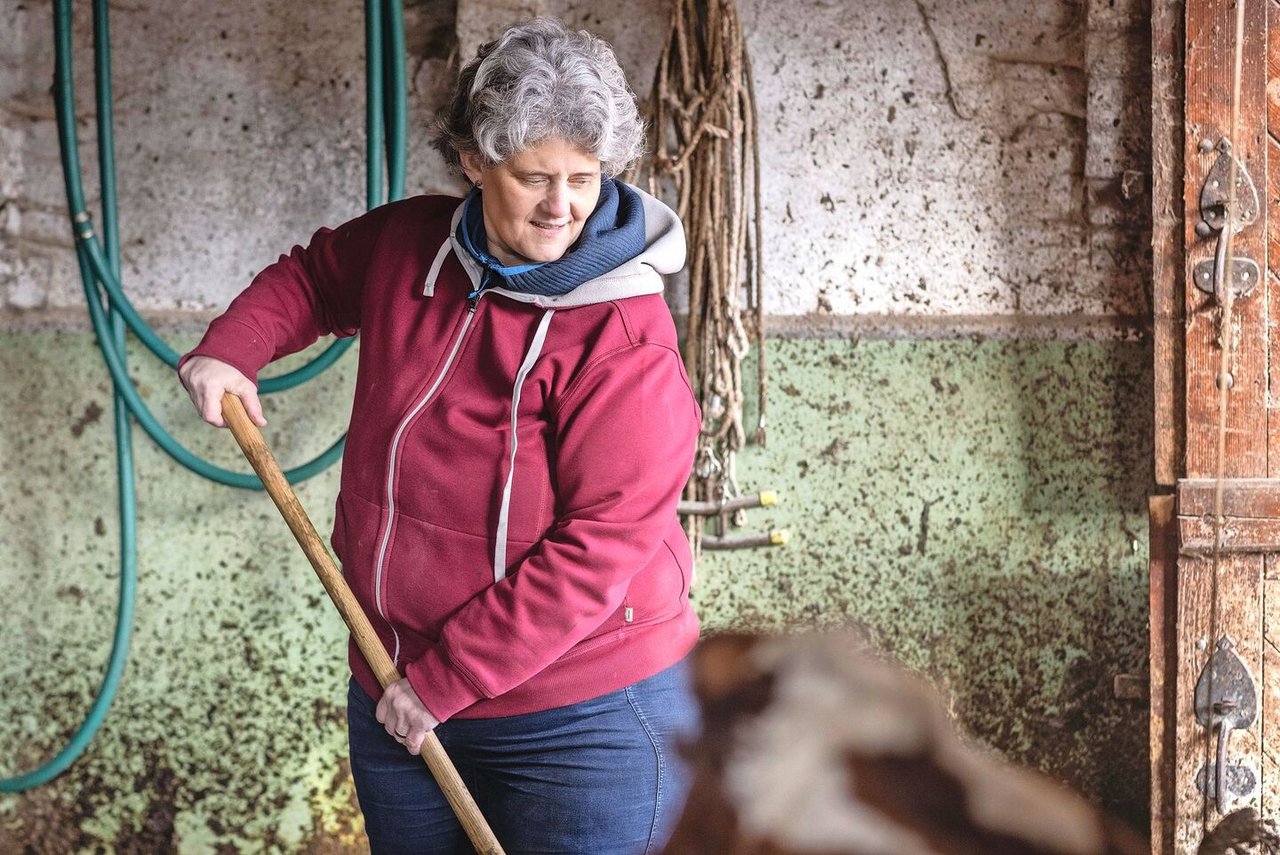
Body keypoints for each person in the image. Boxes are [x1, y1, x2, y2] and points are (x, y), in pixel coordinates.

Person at [178, 18, 701, 855]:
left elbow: (600, 546)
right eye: (534, 178)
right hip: (394, 682)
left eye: (583, 178)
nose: (563, 207)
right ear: (472, 161)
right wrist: (230, 350)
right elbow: (313, 278)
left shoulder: (624, 340)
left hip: (579, 719)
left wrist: (445, 681)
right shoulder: (408, 244)